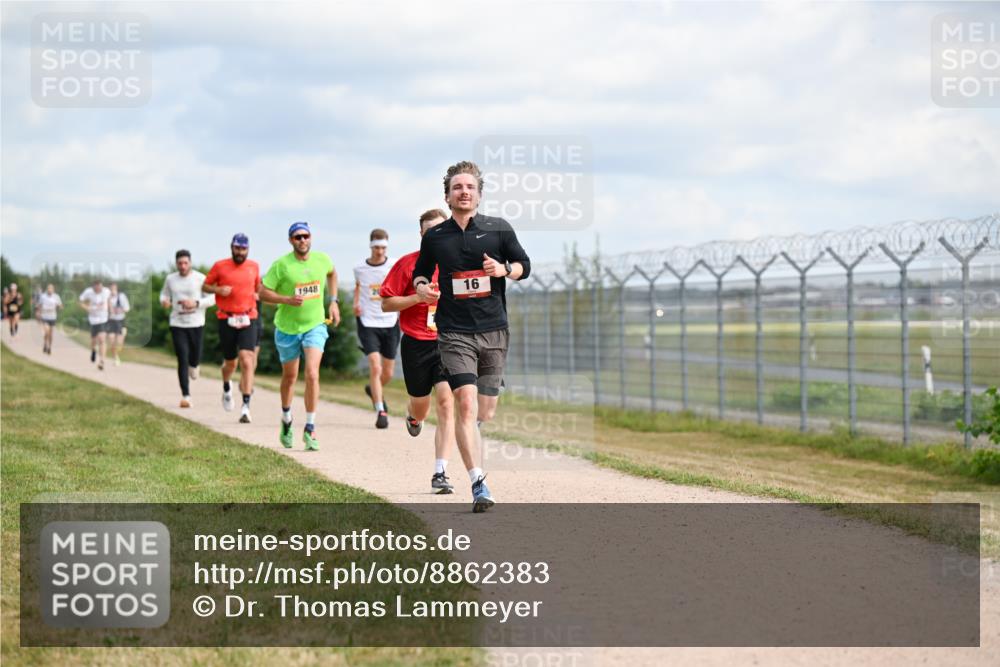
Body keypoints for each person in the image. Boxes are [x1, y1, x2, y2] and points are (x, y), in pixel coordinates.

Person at [413, 161, 531, 513]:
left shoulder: (498, 230)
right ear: (447, 196)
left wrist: (504, 269)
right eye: (457, 187)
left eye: (470, 187)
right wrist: (423, 289)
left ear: (479, 194)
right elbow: (421, 273)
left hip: (494, 329)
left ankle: (471, 433)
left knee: (485, 411)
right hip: (454, 332)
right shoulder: (436, 237)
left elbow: (525, 265)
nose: (464, 192)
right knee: (464, 404)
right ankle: (479, 482)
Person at [381, 208, 458, 494]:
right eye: (429, 231)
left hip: (449, 342)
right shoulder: (407, 265)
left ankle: (440, 472)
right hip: (415, 343)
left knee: (446, 402)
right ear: (422, 235)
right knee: (421, 405)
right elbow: (386, 304)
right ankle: (414, 416)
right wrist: (417, 296)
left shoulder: (458, 262)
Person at [260, 222, 341, 450]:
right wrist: (286, 300)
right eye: (297, 237)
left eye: (305, 236)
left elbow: (332, 273)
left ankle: (310, 427)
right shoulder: (282, 265)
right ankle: (286, 419)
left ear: (311, 238)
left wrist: (333, 302)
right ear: (290, 241)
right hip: (287, 328)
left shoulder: (321, 259)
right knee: (290, 377)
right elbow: (262, 293)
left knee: (313, 374)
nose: (302, 240)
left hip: (314, 325)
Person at [203, 233, 261, 424]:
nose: (240, 252)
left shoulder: (254, 266)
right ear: (231, 247)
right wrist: (218, 290)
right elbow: (205, 286)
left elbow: (257, 289)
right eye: (237, 248)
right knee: (231, 363)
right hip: (226, 318)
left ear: (248, 249)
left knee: (247, 359)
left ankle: (246, 406)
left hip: (248, 317)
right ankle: (227, 387)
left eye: (243, 249)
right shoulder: (220, 266)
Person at [354, 228, 400, 429]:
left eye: (383, 248)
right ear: (371, 246)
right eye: (376, 248)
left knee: (387, 372)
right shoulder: (359, 268)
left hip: (390, 321)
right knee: (375, 365)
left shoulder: (394, 265)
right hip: (367, 321)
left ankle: (373, 389)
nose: (380, 251)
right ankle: (380, 409)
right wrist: (356, 303)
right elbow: (358, 287)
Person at [160, 250, 215, 408]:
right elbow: (164, 295)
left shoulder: (200, 278)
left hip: (196, 322)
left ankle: (195, 364)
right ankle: (186, 396)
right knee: (182, 357)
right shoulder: (170, 279)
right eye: (180, 263)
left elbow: (213, 298)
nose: (183, 266)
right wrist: (164, 301)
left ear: (190, 263)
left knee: (194, 357)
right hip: (177, 323)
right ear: (176, 264)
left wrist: (196, 303)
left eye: (185, 263)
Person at [79, 279, 111, 370]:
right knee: (93, 341)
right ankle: (93, 350)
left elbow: (109, 300)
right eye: (96, 287)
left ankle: (102, 361)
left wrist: (110, 310)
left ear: (102, 286)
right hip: (93, 319)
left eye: (99, 287)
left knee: (102, 339)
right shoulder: (88, 292)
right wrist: (87, 308)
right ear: (93, 287)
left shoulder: (106, 291)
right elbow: (80, 301)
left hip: (103, 318)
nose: (98, 289)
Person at [107, 282, 131, 366]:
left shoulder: (121, 296)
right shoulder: (107, 298)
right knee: (111, 340)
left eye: (114, 288)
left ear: (116, 288)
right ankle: (116, 358)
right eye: (111, 288)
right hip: (111, 321)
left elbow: (127, 308)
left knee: (119, 343)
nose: (112, 290)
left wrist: (120, 310)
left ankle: (123, 335)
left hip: (120, 320)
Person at [36, 284, 63, 354]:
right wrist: (38, 313)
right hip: (45, 317)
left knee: (51, 334)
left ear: (53, 290)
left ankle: (49, 347)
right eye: (48, 288)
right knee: (46, 331)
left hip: (53, 317)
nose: (49, 290)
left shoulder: (56, 297)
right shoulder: (43, 296)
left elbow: (61, 306)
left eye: (51, 289)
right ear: (47, 289)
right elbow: (39, 305)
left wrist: (58, 307)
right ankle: (45, 343)